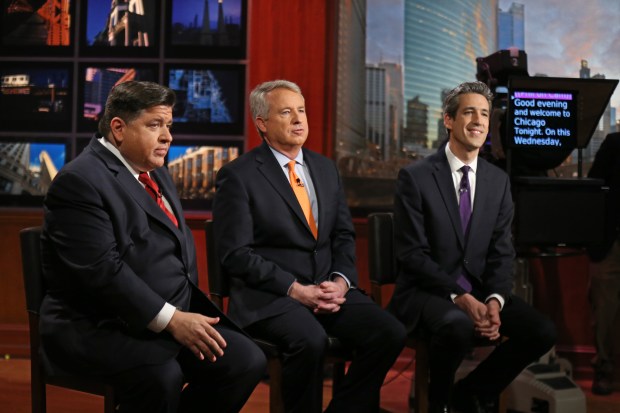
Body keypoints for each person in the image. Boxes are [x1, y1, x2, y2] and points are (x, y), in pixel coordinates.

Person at [40, 81, 266, 413]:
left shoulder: (155, 172)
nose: (167, 137)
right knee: (162, 377)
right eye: (155, 125)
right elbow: (103, 273)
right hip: (97, 326)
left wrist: (181, 315)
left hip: (164, 315)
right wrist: (172, 320)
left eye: (169, 126)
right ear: (118, 128)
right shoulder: (80, 182)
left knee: (245, 361)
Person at [212, 79, 407, 413]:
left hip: (328, 290)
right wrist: (296, 290)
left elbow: (343, 235)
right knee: (310, 341)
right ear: (262, 123)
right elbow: (236, 255)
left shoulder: (325, 168)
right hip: (272, 297)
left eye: (301, 110)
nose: (299, 119)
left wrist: (341, 282)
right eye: (286, 112)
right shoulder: (238, 175)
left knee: (389, 332)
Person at [388, 81, 557, 413]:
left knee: (542, 331)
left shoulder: (498, 181)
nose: (479, 121)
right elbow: (412, 255)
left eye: (484, 114)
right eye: (469, 112)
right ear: (449, 120)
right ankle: (438, 405)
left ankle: (469, 393)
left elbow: (501, 251)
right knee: (458, 324)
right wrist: (460, 297)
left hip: (479, 292)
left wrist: (494, 300)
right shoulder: (416, 177)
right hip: (426, 293)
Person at [587, 131, 620, 395]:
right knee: (605, 309)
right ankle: (605, 367)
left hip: (609, 242)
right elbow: (593, 187)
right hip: (611, 242)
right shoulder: (614, 143)